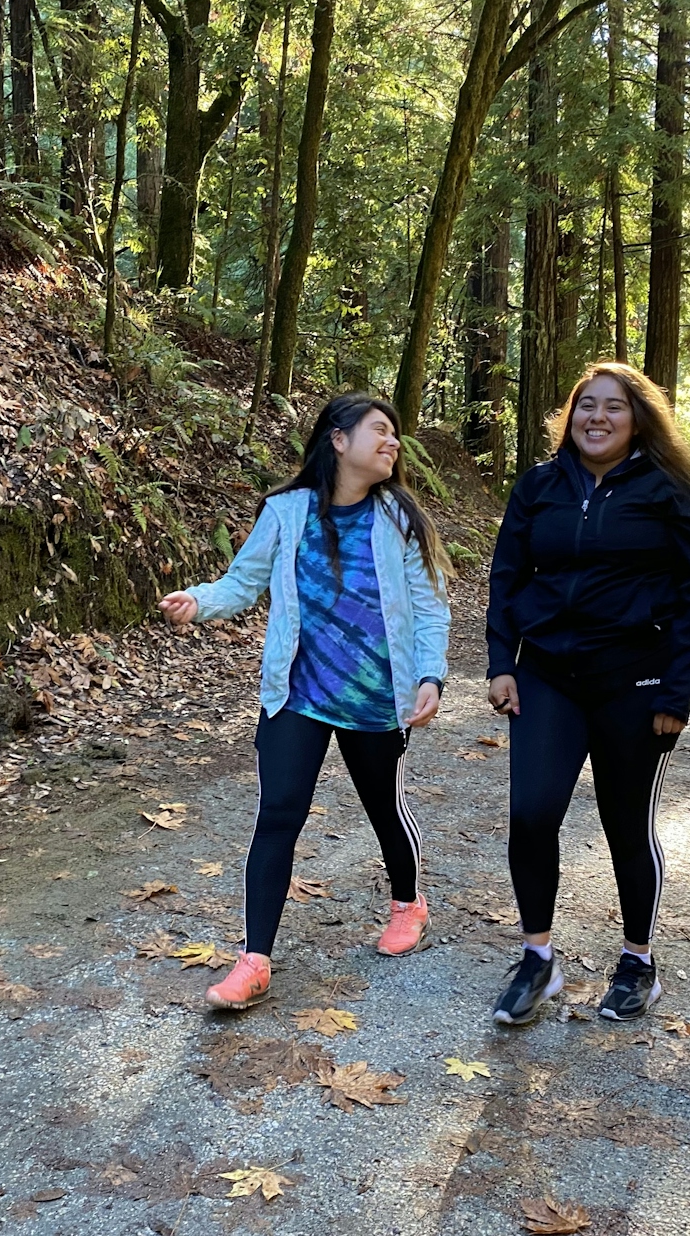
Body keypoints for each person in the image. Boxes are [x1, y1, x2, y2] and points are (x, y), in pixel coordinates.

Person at [159, 394, 451, 1010]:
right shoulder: (287, 512)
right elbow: (243, 583)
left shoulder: (399, 516)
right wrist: (198, 601)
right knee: (279, 814)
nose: (393, 442)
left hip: (377, 696)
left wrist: (431, 676)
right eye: (380, 431)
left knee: (384, 808)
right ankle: (255, 958)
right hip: (299, 693)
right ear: (338, 440)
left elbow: (429, 608)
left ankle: (408, 903)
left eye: (396, 434)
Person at [486, 362, 690, 1025]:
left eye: (613, 408)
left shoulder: (670, 491)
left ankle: (638, 963)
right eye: (585, 406)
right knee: (532, 814)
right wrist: (499, 661)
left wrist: (676, 693)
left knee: (626, 824)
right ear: (568, 418)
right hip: (546, 674)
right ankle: (537, 960)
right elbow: (507, 575)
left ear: (639, 420)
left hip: (637, 681)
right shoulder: (539, 487)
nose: (596, 418)